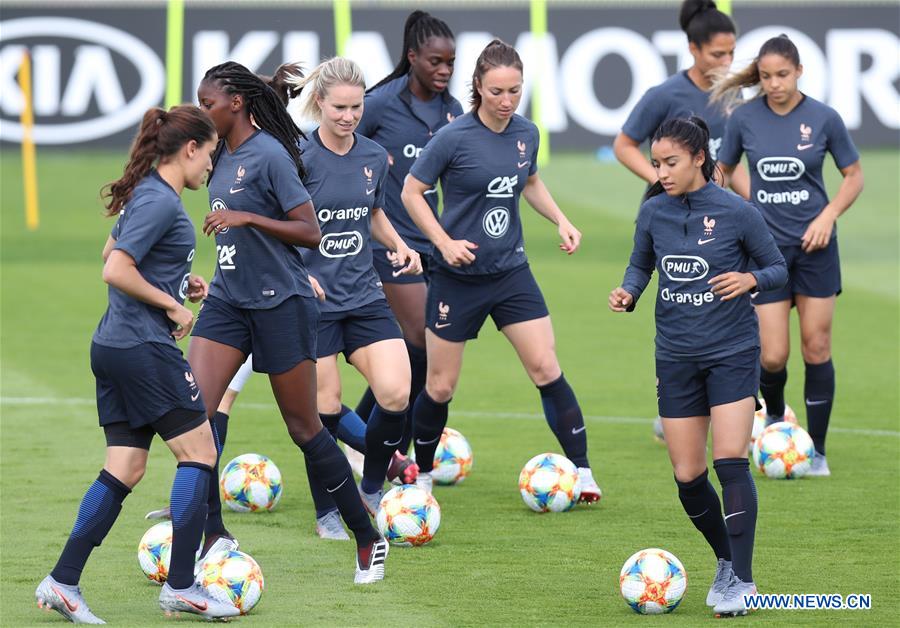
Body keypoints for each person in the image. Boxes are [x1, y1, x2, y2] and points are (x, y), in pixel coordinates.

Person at [35, 105, 240, 622]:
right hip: (142, 348)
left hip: (114, 346)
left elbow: (115, 249)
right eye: (210, 154)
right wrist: (172, 305)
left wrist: (177, 284)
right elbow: (115, 267)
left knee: (125, 466)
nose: (211, 166)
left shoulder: (148, 193)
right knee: (200, 453)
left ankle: (63, 581)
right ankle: (183, 586)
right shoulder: (161, 201)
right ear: (189, 149)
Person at [191, 61, 387, 584]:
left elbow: (309, 231)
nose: (201, 110)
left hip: (283, 304)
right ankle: (214, 537)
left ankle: (367, 539)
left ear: (235, 104)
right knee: (194, 418)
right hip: (228, 302)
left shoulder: (270, 155)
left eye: (208, 102)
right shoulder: (220, 153)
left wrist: (248, 217)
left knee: (305, 427)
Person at [401, 39, 602, 500]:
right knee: (440, 385)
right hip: (457, 279)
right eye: (497, 91)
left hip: (511, 273)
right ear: (478, 87)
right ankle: (425, 474)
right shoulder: (453, 137)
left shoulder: (526, 133)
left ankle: (584, 473)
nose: (507, 100)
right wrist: (443, 242)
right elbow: (413, 192)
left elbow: (529, 180)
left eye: (515, 90)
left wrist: (562, 219)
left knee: (545, 366)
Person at [609, 116, 787, 616]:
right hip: (675, 354)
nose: (660, 172)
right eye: (656, 162)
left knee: (729, 462)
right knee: (688, 476)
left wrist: (750, 281)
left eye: (670, 163)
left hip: (731, 352)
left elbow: (778, 268)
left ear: (699, 159)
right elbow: (640, 263)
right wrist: (629, 292)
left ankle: (744, 582)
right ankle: (725, 560)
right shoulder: (653, 212)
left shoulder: (738, 213)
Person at [714, 35, 863, 476]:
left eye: (782, 75)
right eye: (765, 77)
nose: (774, 84)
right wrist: (751, 202)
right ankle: (777, 421)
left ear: (799, 71)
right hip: (765, 252)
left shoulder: (823, 118)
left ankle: (816, 451)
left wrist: (829, 215)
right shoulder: (745, 118)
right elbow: (724, 168)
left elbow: (853, 175)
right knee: (773, 356)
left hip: (817, 249)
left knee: (816, 346)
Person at [613, 0, 749, 443]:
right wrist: (661, 177)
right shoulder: (666, 95)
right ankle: (674, 401)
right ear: (693, 49)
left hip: (724, 221)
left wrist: (754, 203)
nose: (726, 63)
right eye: (717, 54)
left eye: (731, 53)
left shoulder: (732, 93)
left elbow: (730, 160)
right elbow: (624, 144)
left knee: (729, 309)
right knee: (681, 307)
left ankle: (735, 403)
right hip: (675, 220)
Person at [353, 10, 463, 458]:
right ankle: (374, 442)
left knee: (418, 353)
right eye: (435, 61)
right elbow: (335, 146)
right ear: (412, 56)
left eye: (451, 62)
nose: (444, 71)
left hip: (433, 246)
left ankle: (362, 437)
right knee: (420, 340)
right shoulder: (379, 103)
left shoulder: (453, 111)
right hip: (386, 242)